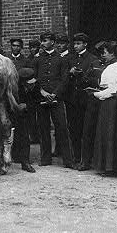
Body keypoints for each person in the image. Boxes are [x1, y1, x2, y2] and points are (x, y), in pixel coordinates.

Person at [33, 32, 73, 168]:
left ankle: (68, 160)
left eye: (45, 41)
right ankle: (45, 158)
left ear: (53, 42)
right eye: (42, 41)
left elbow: (65, 79)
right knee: (43, 128)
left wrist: (55, 94)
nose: (43, 43)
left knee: (62, 128)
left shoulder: (61, 59)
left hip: (57, 99)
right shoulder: (37, 59)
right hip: (42, 98)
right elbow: (33, 79)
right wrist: (42, 92)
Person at [91, 41, 117, 175]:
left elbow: (113, 89)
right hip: (107, 101)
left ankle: (111, 167)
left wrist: (96, 94)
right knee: (106, 132)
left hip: (111, 102)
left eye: (105, 52)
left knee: (110, 133)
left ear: (112, 53)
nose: (103, 55)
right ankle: (106, 165)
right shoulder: (111, 65)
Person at [68, 33, 101, 171]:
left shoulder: (93, 59)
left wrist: (82, 75)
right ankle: (76, 158)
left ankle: (86, 160)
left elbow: (96, 80)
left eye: (79, 44)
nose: (76, 46)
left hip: (86, 100)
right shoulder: (70, 59)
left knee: (86, 131)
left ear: (85, 44)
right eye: (74, 44)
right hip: (73, 99)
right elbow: (65, 78)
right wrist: (70, 73)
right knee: (74, 130)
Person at [11, 67, 36, 172]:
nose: (31, 85)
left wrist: (27, 105)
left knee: (25, 137)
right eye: (28, 83)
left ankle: (25, 162)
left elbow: (36, 100)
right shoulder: (14, 88)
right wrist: (16, 106)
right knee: (12, 137)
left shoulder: (34, 86)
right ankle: (14, 156)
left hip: (25, 115)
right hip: (13, 114)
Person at [26, 38, 41, 144]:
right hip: (30, 91)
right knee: (31, 114)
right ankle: (33, 135)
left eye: (35, 47)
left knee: (41, 114)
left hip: (39, 89)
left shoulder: (42, 58)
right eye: (31, 47)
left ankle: (40, 135)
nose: (32, 49)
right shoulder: (28, 59)